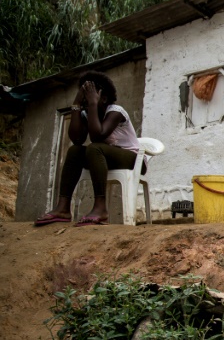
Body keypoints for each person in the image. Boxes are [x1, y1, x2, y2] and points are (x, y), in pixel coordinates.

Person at [34, 71, 144, 227]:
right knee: (75, 150)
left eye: (88, 98)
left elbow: (97, 136)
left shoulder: (116, 111)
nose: (86, 102)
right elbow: (77, 138)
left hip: (132, 159)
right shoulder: (88, 113)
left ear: (103, 98)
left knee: (94, 148)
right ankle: (63, 208)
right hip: (103, 157)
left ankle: (100, 208)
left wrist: (93, 103)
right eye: (84, 98)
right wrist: (76, 105)